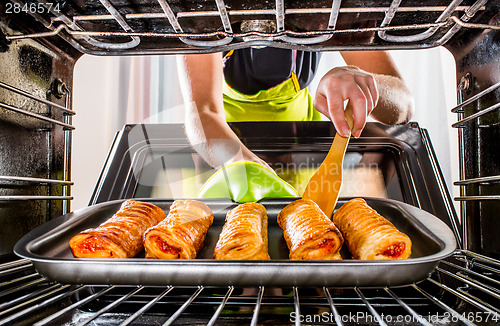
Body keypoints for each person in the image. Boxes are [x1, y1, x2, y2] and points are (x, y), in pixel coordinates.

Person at [177, 48, 414, 170]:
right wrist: (239, 165)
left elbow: (404, 105)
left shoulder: (330, 10)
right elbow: (203, 112)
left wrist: (367, 83)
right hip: (220, 148)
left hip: (304, 148)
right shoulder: (205, 12)